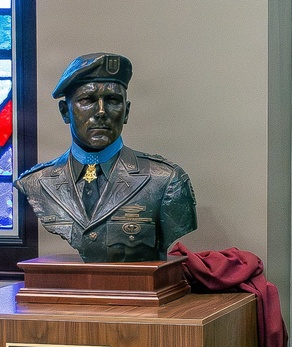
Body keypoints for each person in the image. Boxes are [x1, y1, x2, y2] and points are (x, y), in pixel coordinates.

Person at [15, 52, 197, 263]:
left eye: (113, 100)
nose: (101, 112)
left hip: (137, 291)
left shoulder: (165, 180)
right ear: (65, 112)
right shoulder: (35, 183)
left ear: (126, 112)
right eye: (87, 100)